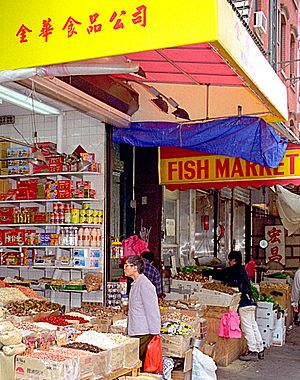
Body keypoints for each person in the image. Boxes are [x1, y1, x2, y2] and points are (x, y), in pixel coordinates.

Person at [220, 250, 264, 361]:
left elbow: (222, 274)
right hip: (251, 302)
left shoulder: (235, 270)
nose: (229, 262)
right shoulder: (242, 270)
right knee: (253, 325)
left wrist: (206, 272)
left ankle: (253, 350)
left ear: (233, 260)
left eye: (229, 260)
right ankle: (260, 348)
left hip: (244, 303)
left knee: (247, 327)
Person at [124, 255, 161, 366]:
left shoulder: (145, 285)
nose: (124, 268)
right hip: (136, 330)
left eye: (127, 265)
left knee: (136, 363)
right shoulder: (136, 283)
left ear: (135, 268)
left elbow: (152, 310)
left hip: (142, 332)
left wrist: (155, 333)